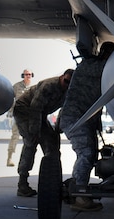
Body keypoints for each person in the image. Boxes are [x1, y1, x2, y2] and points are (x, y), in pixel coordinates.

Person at [58, 42, 114, 212]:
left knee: (89, 156)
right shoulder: (89, 66)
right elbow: (111, 70)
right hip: (76, 118)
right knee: (86, 154)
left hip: (84, 119)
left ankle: (79, 189)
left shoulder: (97, 67)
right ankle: (80, 197)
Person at [12, 69, 74, 197]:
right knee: (31, 143)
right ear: (61, 77)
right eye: (66, 81)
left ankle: (53, 180)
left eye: (70, 83)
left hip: (40, 114)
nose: (67, 85)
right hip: (24, 111)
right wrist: (34, 131)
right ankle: (22, 184)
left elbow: (64, 110)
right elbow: (35, 107)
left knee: (53, 143)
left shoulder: (69, 91)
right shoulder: (49, 86)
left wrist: (57, 129)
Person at [7, 69, 33, 166]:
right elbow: (10, 97)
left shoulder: (33, 87)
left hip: (29, 115)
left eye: (30, 74)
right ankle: (9, 158)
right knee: (15, 136)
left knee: (30, 138)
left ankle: (26, 162)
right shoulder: (17, 86)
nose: (28, 76)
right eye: (26, 74)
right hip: (18, 115)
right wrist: (10, 111)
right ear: (23, 75)